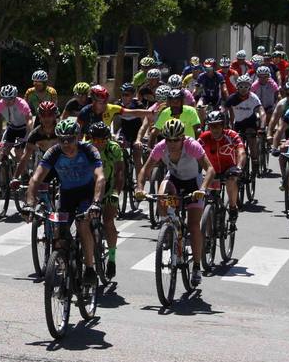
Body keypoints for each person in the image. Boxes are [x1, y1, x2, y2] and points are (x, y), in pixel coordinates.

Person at [25, 117, 105, 298]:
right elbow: (36, 178)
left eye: (70, 139)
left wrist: (96, 202)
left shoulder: (89, 150)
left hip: (86, 193)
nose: (66, 144)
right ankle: (62, 268)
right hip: (67, 194)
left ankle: (90, 268)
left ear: (78, 137)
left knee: (83, 223)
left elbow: (100, 177)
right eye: (62, 140)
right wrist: (30, 204)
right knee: (59, 232)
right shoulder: (53, 152)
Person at [135, 118, 214, 288]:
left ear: (182, 138)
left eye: (175, 139)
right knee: (162, 191)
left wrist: (203, 189)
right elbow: (145, 170)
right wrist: (139, 188)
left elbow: (210, 170)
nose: (171, 143)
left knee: (193, 225)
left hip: (194, 183)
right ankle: (168, 225)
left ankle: (197, 267)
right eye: (168, 139)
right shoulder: (160, 147)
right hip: (174, 181)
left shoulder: (192, 146)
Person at [86, 121, 124, 278]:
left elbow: (120, 172)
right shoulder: (86, 148)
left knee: (108, 222)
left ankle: (112, 259)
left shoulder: (113, 148)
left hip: (109, 189)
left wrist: (116, 191)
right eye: (96, 139)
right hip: (90, 188)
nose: (99, 143)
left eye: (103, 140)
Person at [197, 111, 244, 224]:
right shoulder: (204, 137)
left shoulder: (231, 135)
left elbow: (241, 152)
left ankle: (233, 207)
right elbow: (195, 151)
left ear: (223, 125)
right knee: (205, 197)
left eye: (218, 125)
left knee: (231, 180)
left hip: (229, 168)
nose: (215, 129)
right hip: (211, 170)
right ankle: (207, 233)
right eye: (212, 125)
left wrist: (239, 167)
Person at [224, 75, 267, 163]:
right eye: (241, 86)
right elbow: (224, 110)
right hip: (238, 123)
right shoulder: (232, 98)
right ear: (237, 87)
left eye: (246, 86)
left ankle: (255, 160)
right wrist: (224, 124)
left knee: (251, 139)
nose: (243, 89)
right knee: (237, 145)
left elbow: (262, 113)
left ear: (250, 87)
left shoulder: (253, 98)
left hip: (250, 123)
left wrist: (262, 127)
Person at [16, 100, 61, 184]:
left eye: (50, 115)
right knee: (34, 186)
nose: (46, 118)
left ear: (55, 116)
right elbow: (25, 157)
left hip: (62, 166)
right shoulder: (35, 134)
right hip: (44, 166)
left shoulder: (62, 131)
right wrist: (15, 178)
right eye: (43, 115)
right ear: (39, 117)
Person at [0, 84, 34, 151]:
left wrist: (28, 136)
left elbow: (29, 120)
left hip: (23, 128)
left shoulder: (22, 104)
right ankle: (3, 160)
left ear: (15, 97)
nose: (7, 101)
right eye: (5, 98)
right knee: (3, 152)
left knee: (18, 151)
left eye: (10, 99)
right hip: (11, 128)